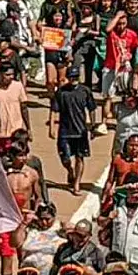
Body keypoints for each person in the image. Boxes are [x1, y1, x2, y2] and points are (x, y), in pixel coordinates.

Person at [49, 68, 94, 196]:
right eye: (72, 77)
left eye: (76, 77)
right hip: (65, 130)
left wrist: (92, 126)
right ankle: (70, 170)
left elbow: (91, 108)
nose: (74, 79)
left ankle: (76, 184)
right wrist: (51, 126)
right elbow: (53, 109)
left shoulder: (85, 91)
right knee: (65, 158)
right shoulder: (61, 92)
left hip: (81, 131)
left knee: (80, 157)